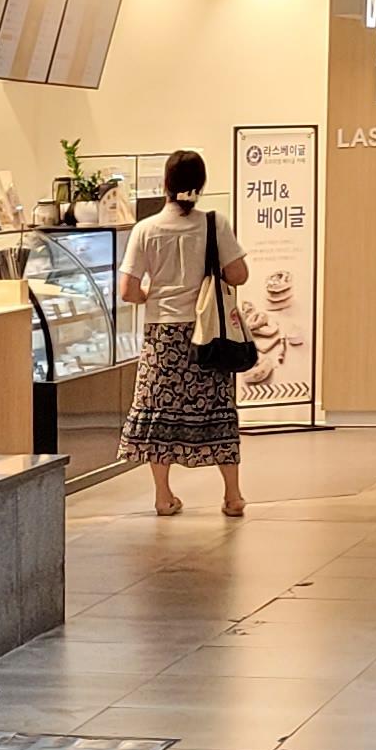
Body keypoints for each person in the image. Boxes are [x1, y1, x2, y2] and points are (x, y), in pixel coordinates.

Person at [116, 147, 251, 518]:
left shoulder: (146, 229)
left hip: (162, 335)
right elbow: (239, 274)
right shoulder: (215, 224)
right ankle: (233, 495)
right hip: (208, 333)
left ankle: (163, 496)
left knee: (159, 411)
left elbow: (127, 290)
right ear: (201, 185)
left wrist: (152, 294)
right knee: (217, 408)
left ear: (165, 183)